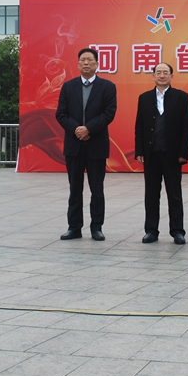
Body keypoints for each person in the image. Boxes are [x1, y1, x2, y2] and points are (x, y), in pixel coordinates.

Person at [55, 47, 117, 241]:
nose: (86, 63)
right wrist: (77, 129)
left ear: (97, 64)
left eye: (90, 60)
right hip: (74, 145)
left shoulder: (107, 87)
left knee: (97, 190)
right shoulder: (68, 86)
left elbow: (109, 113)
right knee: (75, 189)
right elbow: (61, 114)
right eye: (83, 60)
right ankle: (74, 228)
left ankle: (96, 228)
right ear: (78, 64)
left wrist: (88, 129)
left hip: (96, 144)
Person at [135, 63, 188, 245]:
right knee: (151, 194)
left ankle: (177, 231)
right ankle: (151, 231)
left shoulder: (181, 97)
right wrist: (139, 151)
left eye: (165, 72)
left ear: (171, 76)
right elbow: (139, 126)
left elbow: (187, 126)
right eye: (158, 72)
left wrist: (183, 152)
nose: (162, 75)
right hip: (151, 153)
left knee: (174, 194)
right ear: (153, 76)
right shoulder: (144, 98)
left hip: (172, 154)